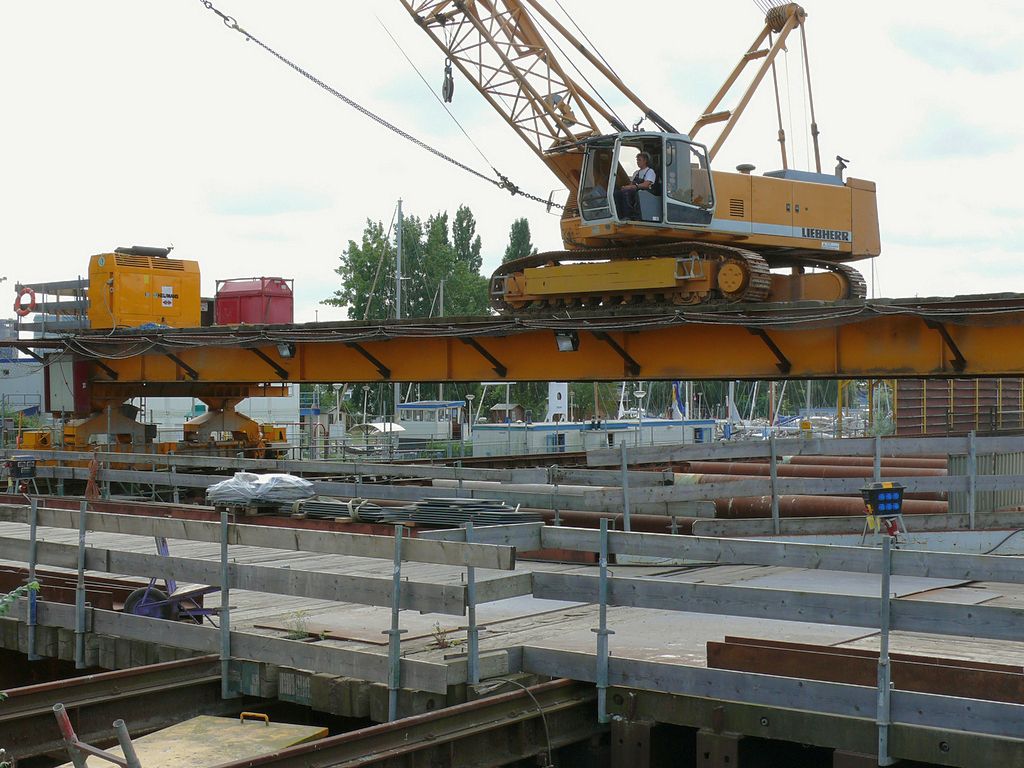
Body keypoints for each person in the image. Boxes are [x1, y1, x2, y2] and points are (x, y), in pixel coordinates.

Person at [614, 151, 656, 220]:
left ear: (645, 161)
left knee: (626, 193)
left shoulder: (650, 171)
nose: (637, 162)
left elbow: (646, 184)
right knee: (617, 193)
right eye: (637, 160)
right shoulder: (636, 172)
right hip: (634, 190)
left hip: (644, 192)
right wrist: (625, 187)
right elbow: (631, 184)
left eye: (639, 160)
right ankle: (619, 214)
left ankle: (629, 215)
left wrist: (634, 187)